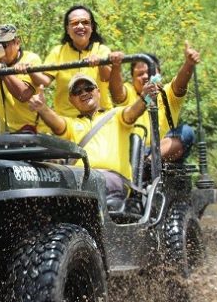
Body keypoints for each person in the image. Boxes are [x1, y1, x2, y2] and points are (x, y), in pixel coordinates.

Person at [28, 73, 155, 208]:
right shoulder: (72, 124)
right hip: (77, 180)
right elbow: (58, 125)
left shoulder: (116, 115)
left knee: (88, 183)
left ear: (98, 92)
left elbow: (134, 111)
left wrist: (146, 97)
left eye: (88, 88)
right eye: (77, 91)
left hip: (110, 179)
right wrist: (42, 109)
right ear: (71, 100)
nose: (84, 93)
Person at [108, 41, 201, 161]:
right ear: (132, 79)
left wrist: (189, 64)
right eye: (140, 74)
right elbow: (117, 93)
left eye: (150, 72)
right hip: (135, 152)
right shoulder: (129, 92)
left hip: (163, 152)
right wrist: (116, 66)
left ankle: (149, 163)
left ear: (159, 74)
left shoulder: (167, 93)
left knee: (187, 132)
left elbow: (180, 83)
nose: (146, 76)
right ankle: (147, 162)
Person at [34, 5, 122, 118]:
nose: (80, 26)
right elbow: (45, 81)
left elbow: (107, 78)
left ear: (92, 27)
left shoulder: (101, 50)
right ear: (67, 29)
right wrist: (28, 69)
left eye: (85, 22)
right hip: (67, 121)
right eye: (75, 23)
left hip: (100, 118)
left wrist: (100, 63)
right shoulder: (58, 52)